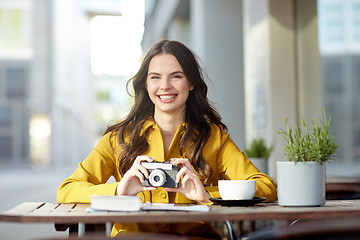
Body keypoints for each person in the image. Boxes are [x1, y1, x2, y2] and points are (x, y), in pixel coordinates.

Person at [57, 39, 277, 239]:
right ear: (146, 84)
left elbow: (266, 186)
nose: (165, 86)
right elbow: (67, 189)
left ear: (191, 83)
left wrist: (205, 195)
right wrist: (119, 191)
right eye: (155, 77)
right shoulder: (119, 138)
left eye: (176, 76)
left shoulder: (213, 138)